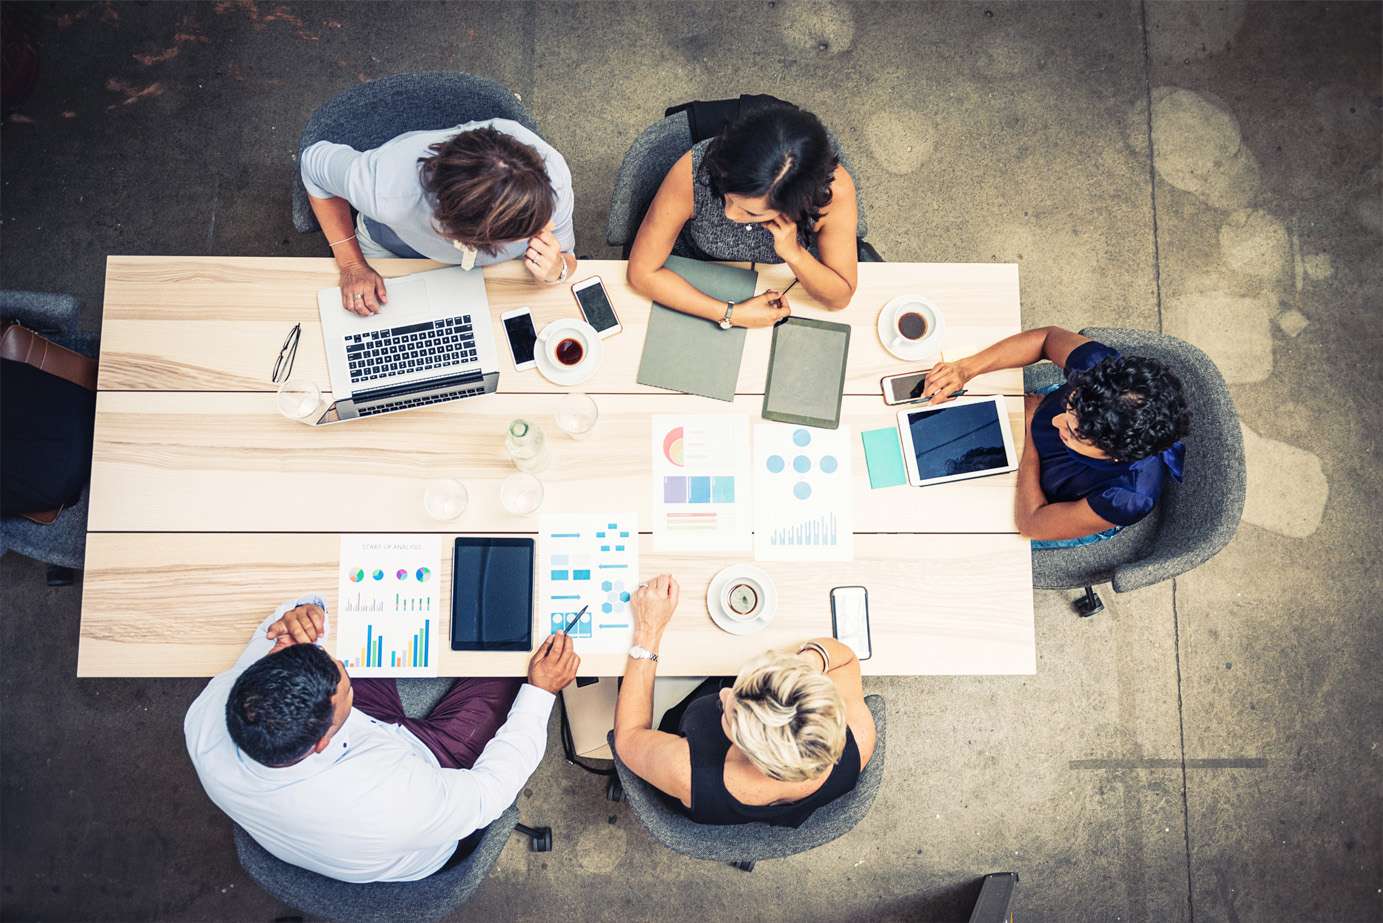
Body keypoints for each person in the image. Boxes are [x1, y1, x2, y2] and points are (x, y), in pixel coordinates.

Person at [185, 595, 579, 883]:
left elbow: (278, 626)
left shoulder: (212, 711)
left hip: (353, 769)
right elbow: (489, 793)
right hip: (413, 797)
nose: (342, 664)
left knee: (369, 615)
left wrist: (306, 611)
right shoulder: (395, 800)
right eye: (345, 686)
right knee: (513, 656)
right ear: (323, 740)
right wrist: (542, 692)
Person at [613, 575, 876, 826]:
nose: (725, 693)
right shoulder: (860, 740)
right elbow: (846, 658)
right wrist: (804, 664)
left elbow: (628, 738)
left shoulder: (688, 773)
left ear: (751, 754)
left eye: (730, 715)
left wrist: (648, 632)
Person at [921, 326, 1191, 546]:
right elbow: (1047, 338)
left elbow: (1031, 523)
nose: (1054, 420)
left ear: (1115, 456)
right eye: (1069, 404)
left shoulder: (1126, 496)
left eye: (1074, 431)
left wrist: (1029, 432)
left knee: (960, 529)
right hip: (1030, 421)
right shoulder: (1099, 375)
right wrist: (965, 369)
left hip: (1053, 506)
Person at [301, 119, 577, 316]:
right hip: (394, 248)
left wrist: (558, 269)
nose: (549, 226)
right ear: (466, 237)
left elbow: (567, 255)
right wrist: (352, 265)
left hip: (491, 272)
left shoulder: (551, 180)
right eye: (526, 229)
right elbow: (313, 164)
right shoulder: (384, 188)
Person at [627, 103, 860, 328]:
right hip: (695, 272)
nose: (729, 213)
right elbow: (641, 272)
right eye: (727, 196)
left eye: (750, 211)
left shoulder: (833, 193)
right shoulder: (695, 169)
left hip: (782, 283)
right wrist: (732, 314)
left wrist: (795, 254)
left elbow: (839, 298)